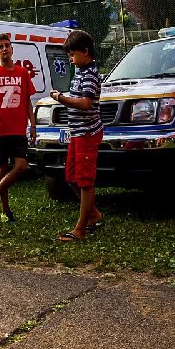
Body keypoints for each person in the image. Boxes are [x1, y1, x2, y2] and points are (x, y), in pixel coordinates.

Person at [0, 33, 37, 224]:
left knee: (21, 166)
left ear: (12, 49)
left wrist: (33, 124)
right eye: (0, 47)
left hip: (18, 130)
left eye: (7, 45)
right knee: (1, 168)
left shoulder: (23, 73)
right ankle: (6, 211)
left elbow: (27, 101)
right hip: (0, 130)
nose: (4, 49)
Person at [53, 30, 105, 241]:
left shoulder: (90, 74)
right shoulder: (80, 72)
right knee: (71, 176)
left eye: (73, 54)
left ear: (85, 51)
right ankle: (93, 214)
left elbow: (85, 103)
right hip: (77, 134)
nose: (70, 58)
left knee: (85, 181)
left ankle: (81, 228)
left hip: (87, 133)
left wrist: (61, 98)